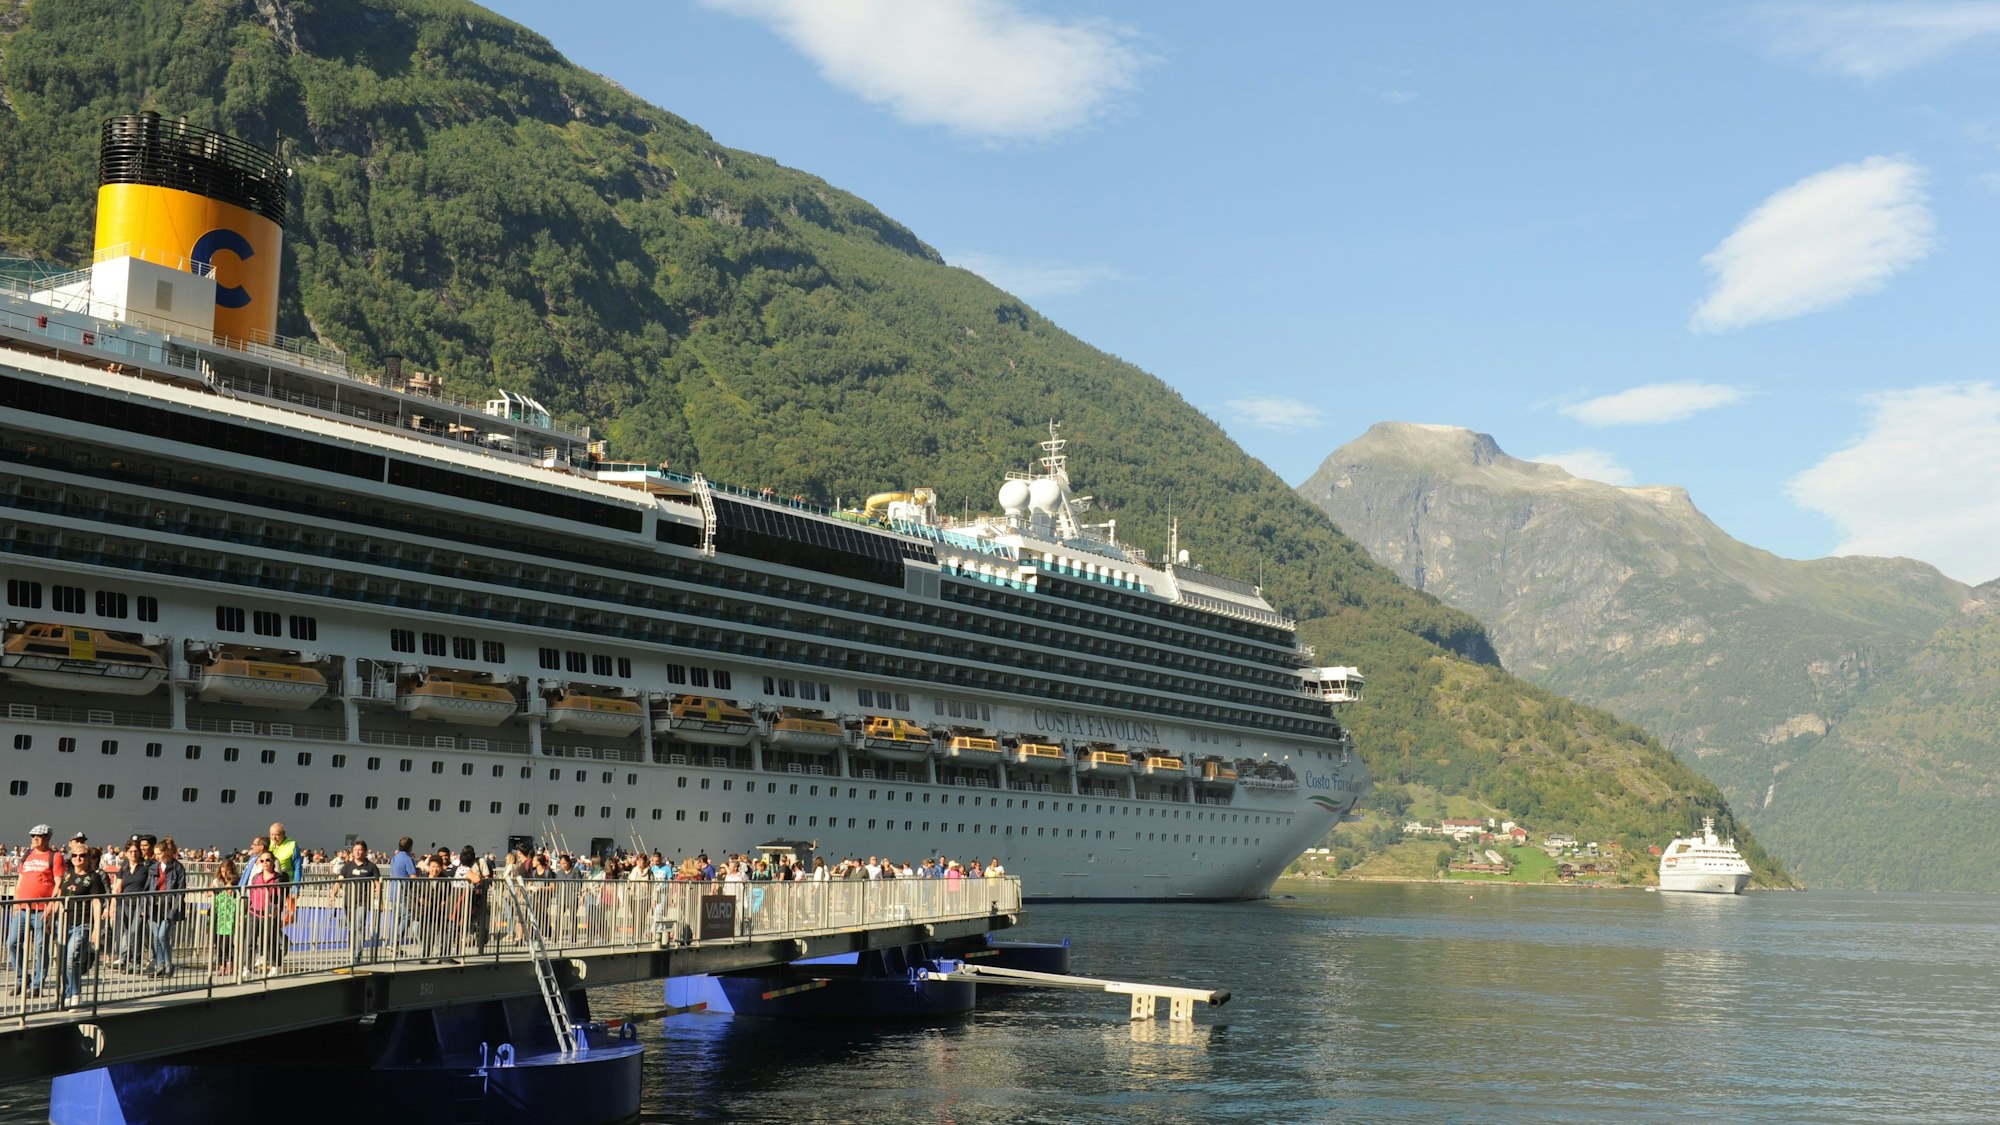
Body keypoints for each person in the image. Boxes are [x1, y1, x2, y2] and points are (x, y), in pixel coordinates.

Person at [7, 824, 62, 998]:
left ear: (48, 838)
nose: (35, 839)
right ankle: (22, 979)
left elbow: (58, 884)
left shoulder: (55, 857)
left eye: (39, 836)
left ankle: (38, 984)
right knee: (12, 944)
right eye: (33, 836)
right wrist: (16, 903)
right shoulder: (27, 855)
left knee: (40, 948)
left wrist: (51, 907)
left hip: (42, 910)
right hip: (22, 908)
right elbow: (20, 881)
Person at [57, 838, 104, 1010]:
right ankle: (68, 993)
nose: (78, 858)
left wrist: (97, 928)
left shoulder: (94, 878)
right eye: (75, 855)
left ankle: (75, 993)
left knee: (72, 957)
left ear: (89, 857)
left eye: (82, 856)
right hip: (64, 923)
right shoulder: (68, 874)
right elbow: (60, 897)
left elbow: (97, 903)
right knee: (65, 961)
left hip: (82, 923)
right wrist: (50, 917)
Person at [335, 841, 381, 964]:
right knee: (352, 928)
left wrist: (380, 899)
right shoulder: (348, 866)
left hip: (363, 902)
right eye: (355, 849)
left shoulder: (371, 866)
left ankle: (356, 956)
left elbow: (377, 884)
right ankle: (352, 951)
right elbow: (339, 880)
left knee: (359, 926)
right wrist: (332, 894)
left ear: (365, 851)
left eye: (360, 850)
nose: (357, 852)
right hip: (348, 902)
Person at [148, 837, 187, 977]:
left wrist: (174, 909)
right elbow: (149, 887)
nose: (156, 856)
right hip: (155, 905)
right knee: (155, 937)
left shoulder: (177, 867)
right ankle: (159, 965)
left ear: (165, 852)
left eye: (158, 853)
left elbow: (181, 889)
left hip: (169, 905)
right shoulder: (154, 867)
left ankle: (168, 964)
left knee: (162, 935)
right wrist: (144, 907)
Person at [243, 851, 284, 978]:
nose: (265, 863)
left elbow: (281, 897)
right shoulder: (256, 877)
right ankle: (247, 968)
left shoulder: (278, 878)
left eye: (268, 860)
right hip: (254, 912)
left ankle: (275, 965)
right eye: (262, 861)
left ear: (273, 861)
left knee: (270, 940)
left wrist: (278, 909)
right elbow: (252, 894)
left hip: (270, 914)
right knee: (249, 941)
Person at [458, 845, 492, 957]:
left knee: (478, 916)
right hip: (467, 894)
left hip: (478, 894)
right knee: (467, 916)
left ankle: (478, 939)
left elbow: (486, 876)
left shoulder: (480, 861)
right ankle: (467, 938)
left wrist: (481, 883)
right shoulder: (465, 866)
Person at [211, 859, 240, 977]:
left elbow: (231, 893)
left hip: (229, 915)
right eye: (222, 872)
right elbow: (209, 891)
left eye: (226, 871)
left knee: (227, 942)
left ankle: (230, 962)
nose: (224, 874)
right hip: (219, 914)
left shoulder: (236, 881)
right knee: (217, 942)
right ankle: (221, 964)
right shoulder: (218, 881)